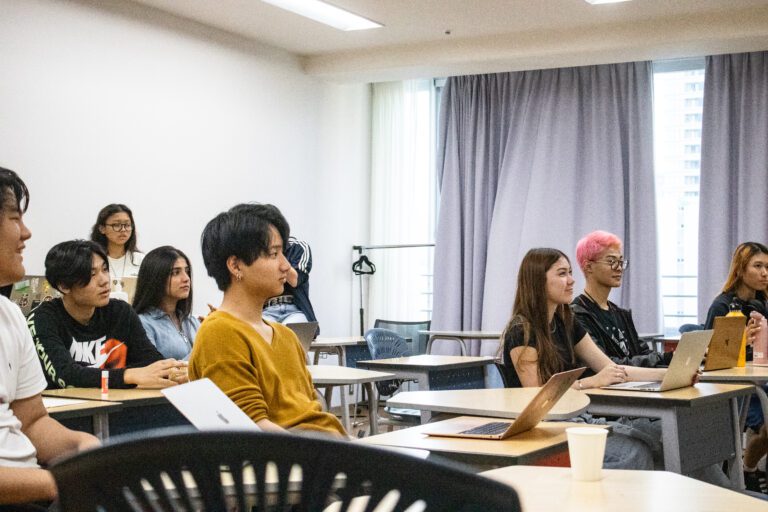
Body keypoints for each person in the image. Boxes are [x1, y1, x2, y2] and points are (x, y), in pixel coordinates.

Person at [499, 247, 672, 470]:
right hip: (546, 428)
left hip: (575, 419)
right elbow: (539, 396)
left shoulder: (566, 320)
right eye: (562, 274)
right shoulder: (521, 331)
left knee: (654, 439)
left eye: (570, 272)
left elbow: (612, 369)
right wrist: (590, 382)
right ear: (537, 281)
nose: (571, 280)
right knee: (635, 452)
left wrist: (667, 374)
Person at [190, 203, 344, 436]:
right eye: (274, 254)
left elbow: (313, 412)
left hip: (321, 451)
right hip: (290, 463)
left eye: (283, 253)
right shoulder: (220, 332)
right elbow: (254, 429)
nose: (285, 265)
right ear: (235, 265)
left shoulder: (286, 336)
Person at [0, 168, 98, 508]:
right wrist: (57, 481)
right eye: (15, 218)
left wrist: (82, 447)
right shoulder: (42, 318)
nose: (26, 233)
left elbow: (32, 421)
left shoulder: (10, 315)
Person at [27, 240, 188, 389]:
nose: (104, 280)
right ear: (64, 286)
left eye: (105, 269)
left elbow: (151, 363)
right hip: (68, 413)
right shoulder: (43, 318)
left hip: (117, 407)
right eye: (92, 274)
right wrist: (128, 375)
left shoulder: (120, 312)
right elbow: (65, 376)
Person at [704, 242, 768, 494]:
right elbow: (713, 359)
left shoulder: (763, 303)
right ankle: (749, 468)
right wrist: (740, 339)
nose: (765, 273)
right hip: (737, 384)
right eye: (758, 266)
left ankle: (749, 468)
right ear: (741, 270)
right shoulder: (721, 306)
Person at [572, 230, 671, 367]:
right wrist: (664, 358)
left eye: (620, 262)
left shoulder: (619, 313)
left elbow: (642, 353)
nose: (619, 268)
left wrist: (673, 359)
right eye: (611, 261)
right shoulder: (577, 314)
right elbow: (608, 364)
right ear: (588, 266)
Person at [133, 246, 200, 360]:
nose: (186, 278)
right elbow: (155, 371)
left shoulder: (190, 321)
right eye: (175, 273)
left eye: (187, 271)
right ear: (156, 278)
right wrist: (203, 348)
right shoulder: (143, 324)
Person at [262, 236, 317, 325]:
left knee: (293, 332)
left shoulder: (298, 247)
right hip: (267, 310)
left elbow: (294, 280)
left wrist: (277, 253)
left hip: (295, 310)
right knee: (257, 333)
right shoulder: (259, 252)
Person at [90, 203, 144, 285]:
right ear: (102, 229)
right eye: (116, 225)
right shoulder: (92, 260)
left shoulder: (141, 260)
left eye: (127, 225)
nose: (123, 230)